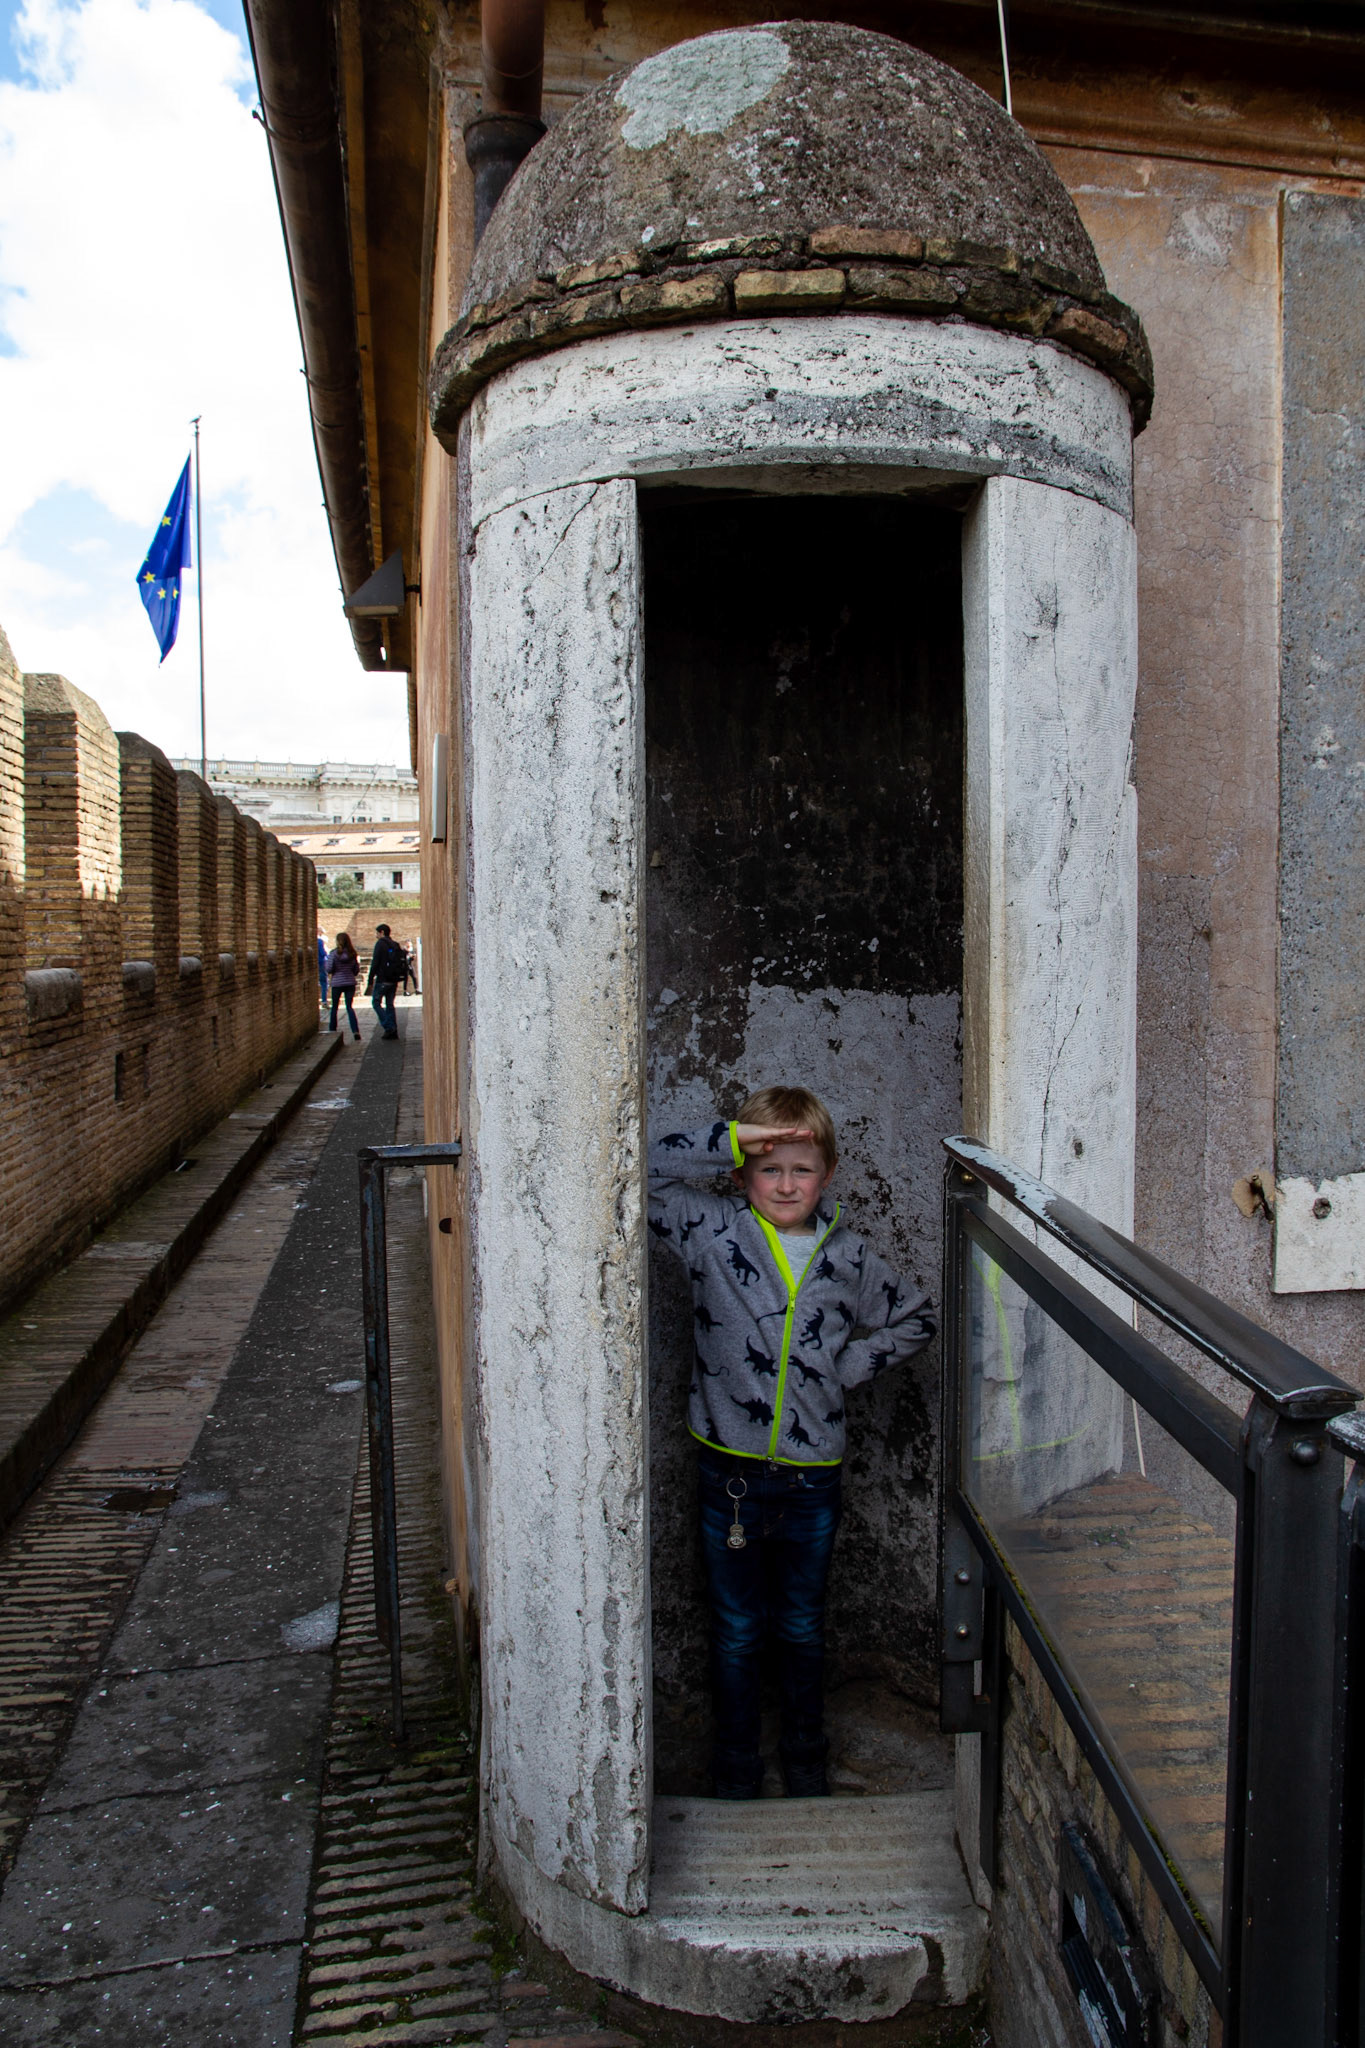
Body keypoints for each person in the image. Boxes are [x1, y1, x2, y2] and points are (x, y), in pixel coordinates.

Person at [648, 1085, 934, 1801]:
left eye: (801, 1168)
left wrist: (842, 1369)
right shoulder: (709, 1231)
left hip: (812, 1481)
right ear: (742, 1172)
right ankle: (736, 1771)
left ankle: (806, 1765)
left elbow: (916, 1316)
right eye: (768, 1167)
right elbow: (639, 1168)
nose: (784, 1183)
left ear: (827, 1174)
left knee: (802, 1629)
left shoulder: (848, 1257)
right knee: (738, 1633)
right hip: (731, 1476)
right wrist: (736, 1135)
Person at [366, 923, 407, 1039]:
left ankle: (389, 1027)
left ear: (382, 932)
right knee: (390, 1004)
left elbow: (375, 963)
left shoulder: (380, 944)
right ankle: (393, 1029)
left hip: (383, 979)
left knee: (376, 1003)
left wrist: (370, 980)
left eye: (377, 933)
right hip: (393, 980)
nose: (376, 935)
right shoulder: (395, 944)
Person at [326, 933, 362, 1039]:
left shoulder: (333, 953)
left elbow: (329, 968)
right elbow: (356, 970)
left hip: (337, 983)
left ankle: (332, 1029)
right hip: (350, 982)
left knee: (335, 1007)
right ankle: (355, 1030)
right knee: (349, 1007)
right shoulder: (352, 954)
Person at [317, 931, 329, 1007]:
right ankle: (324, 1000)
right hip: (321, 963)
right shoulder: (319, 941)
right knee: (324, 982)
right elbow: (323, 953)